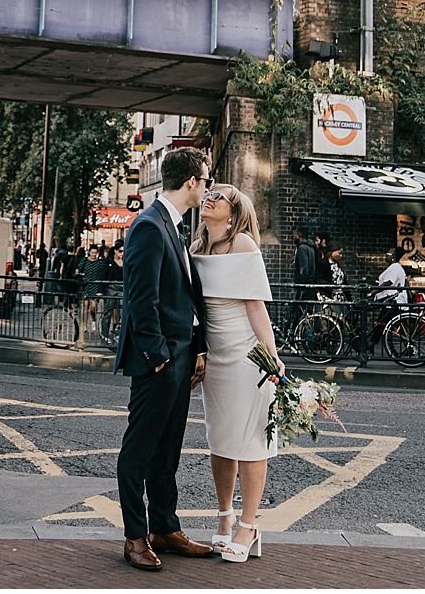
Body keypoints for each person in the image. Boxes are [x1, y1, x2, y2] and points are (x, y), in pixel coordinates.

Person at [113, 146, 215, 571]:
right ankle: (135, 537)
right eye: (205, 180)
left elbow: (184, 295)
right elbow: (141, 300)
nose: (207, 188)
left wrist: (199, 347)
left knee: (168, 448)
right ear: (191, 182)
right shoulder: (149, 226)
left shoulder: (170, 226)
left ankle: (165, 529)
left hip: (181, 355)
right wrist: (158, 357)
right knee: (138, 450)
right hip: (161, 361)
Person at [190, 182, 279, 565]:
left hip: (246, 357)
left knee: (251, 442)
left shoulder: (244, 245)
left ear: (234, 211)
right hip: (215, 360)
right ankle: (225, 517)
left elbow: (256, 308)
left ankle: (249, 524)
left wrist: (272, 359)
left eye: (219, 196)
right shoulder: (196, 249)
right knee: (221, 440)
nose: (209, 197)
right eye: (208, 192)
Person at [370, 247, 411, 347]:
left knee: (381, 323)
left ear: (393, 257)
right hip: (392, 301)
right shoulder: (394, 267)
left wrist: (372, 292)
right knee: (383, 323)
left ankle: (370, 345)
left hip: (393, 301)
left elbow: (388, 282)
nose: (386, 256)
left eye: (388, 254)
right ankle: (371, 344)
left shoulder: (395, 267)